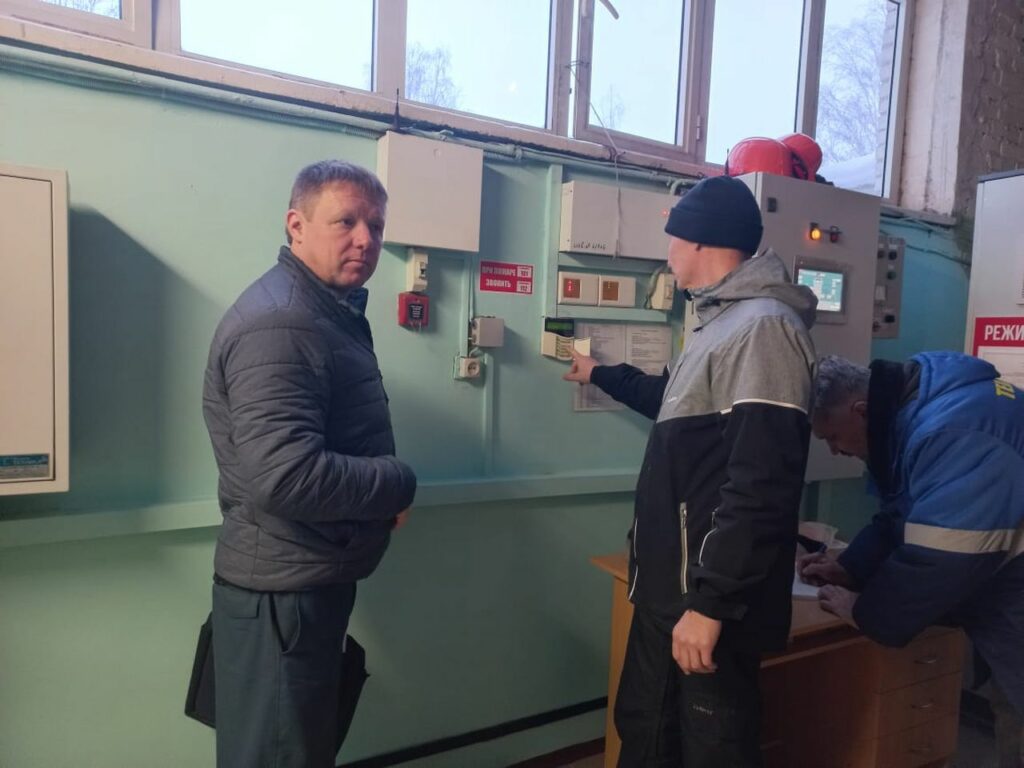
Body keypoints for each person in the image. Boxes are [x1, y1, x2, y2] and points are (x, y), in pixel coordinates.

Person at [565, 175, 818, 766]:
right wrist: (599, 374)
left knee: (710, 749)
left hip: (705, 600)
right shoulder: (718, 324)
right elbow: (672, 403)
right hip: (670, 590)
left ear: (701, 240)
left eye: (673, 238)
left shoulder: (764, 328)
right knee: (647, 733)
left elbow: (761, 484)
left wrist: (711, 604)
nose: (668, 252)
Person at [202, 160, 416, 768]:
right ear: (296, 225)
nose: (365, 239)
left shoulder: (321, 311)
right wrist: (397, 483)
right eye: (346, 221)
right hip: (282, 599)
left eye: (376, 225)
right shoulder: (283, 321)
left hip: (297, 585)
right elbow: (286, 477)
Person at [801, 352, 1024, 767]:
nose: (834, 450)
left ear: (860, 410)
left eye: (832, 436)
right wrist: (850, 567)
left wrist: (866, 612)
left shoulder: (952, 430)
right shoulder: (918, 407)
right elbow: (903, 511)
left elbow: (942, 558)